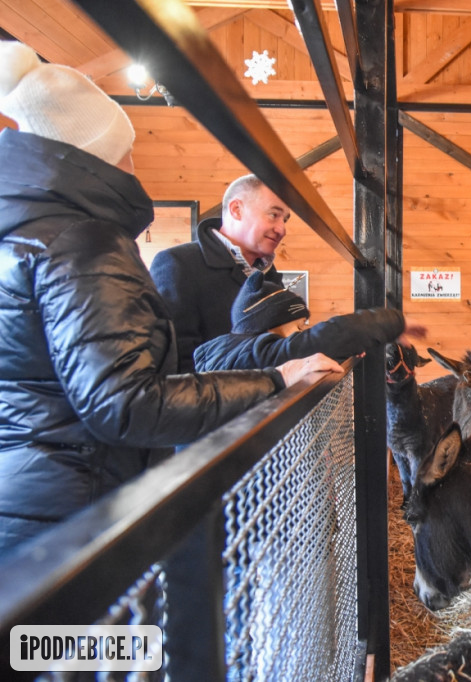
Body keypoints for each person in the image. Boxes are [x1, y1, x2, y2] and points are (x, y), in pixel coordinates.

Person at [0, 41, 342, 557]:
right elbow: (130, 399)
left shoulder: (30, 233)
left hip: (42, 495)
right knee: (104, 638)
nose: (133, 164)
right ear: (98, 156)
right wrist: (274, 379)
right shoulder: (86, 242)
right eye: (126, 149)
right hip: (82, 502)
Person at [150, 174, 289, 372]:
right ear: (236, 209)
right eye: (274, 215)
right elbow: (173, 363)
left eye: (285, 219)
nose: (282, 229)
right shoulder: (178, 264)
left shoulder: (269, 276)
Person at [194, 271, 428, 371]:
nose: (302, 332)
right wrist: (393, 322)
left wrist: (344, 352)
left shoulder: (232, 353)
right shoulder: (257, 354)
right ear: (270, 326)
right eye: (298, 327)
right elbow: (328, 336)